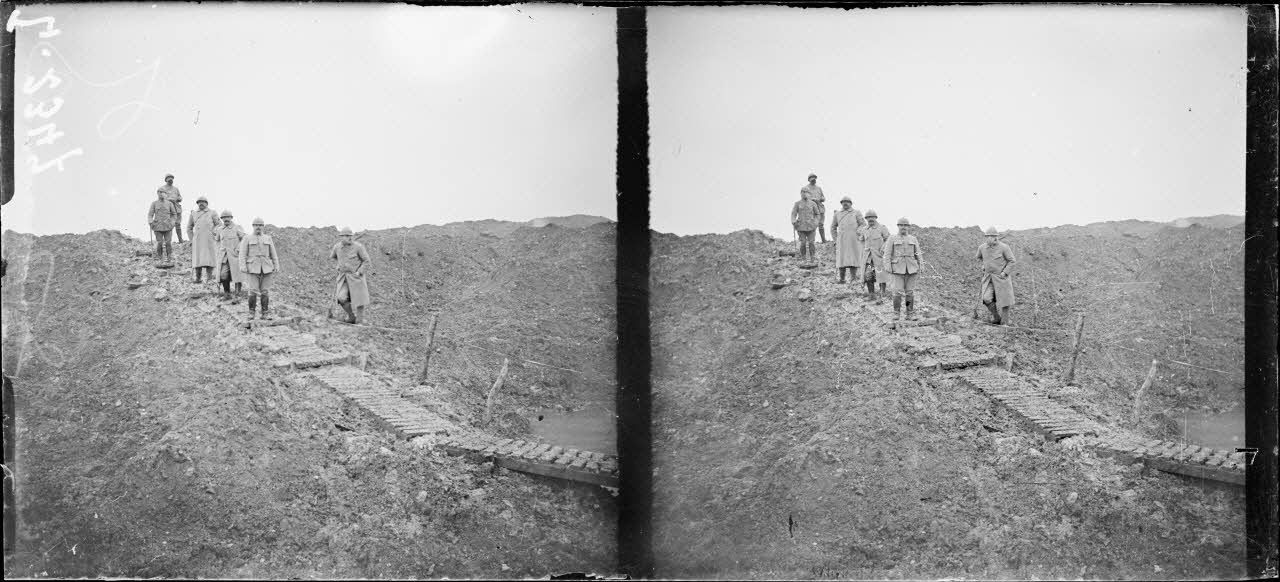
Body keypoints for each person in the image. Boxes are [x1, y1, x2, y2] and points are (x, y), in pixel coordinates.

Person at [238, 218, 280, 321]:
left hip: (267, 268)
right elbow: (242, 254)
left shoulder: (268, 238)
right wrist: (243, 266)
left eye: (260, 225)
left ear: (263, 226)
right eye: (256, 225)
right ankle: (251, 313)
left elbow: (273, 253)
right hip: (252, 268)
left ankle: (265, 313)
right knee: (252, 291)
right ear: (252, 226)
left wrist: (276, 265)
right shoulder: (247, 238)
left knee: (265, 291)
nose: (258, 227)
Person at [882, 217, 923, 321]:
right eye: (901, 225)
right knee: (897, 292)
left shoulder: (913, 239)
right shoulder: (892, 238)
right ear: (898, 226)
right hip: (897, 269)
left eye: (905, 225)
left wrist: (921, 265)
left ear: (908, 227)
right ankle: (896, 313)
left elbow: (918, 253)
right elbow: (887, 254)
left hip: (911, 269)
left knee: (910, 292)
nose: (903, 227)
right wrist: (888, 266)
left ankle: (910, 313)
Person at [977, 227, 1017, 325]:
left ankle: (1005, 323)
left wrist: (1005, 273)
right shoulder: (982, 248)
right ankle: (996, 317)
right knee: (986, 298)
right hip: (988, 278)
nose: (988, 238)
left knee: (1005, 301)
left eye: (990, 236)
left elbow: (1012, 261)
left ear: (995, 237)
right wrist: (983, 265)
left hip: (1001, 278)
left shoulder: (1004, 247)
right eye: (987, 236)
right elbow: (978, 257)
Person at [331, 227, 372, 324]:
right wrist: (338, 265)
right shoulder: (337, 247)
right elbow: (333, 257)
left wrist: (359, 272)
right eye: (346, 236)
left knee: (359, 299)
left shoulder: (358, 247)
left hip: (356, 277)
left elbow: (367, 261)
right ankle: (351, 316)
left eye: (350, 236)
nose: (349, 238)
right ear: (341, 237)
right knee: (341, 297)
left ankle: (360, 320)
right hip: (344, 277)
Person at [830, 196, 866, 284]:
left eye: (847, 202)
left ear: (851, 203)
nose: (845, 203)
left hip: (854, 239)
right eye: (843, 202)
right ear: (841, 203)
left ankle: (853, 279)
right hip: (841, 240)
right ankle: (842, 279)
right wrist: (835, 239)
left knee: (853, 258)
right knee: (841, 259)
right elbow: (833, 227)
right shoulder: (837, 214)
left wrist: (858, 232)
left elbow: (863, 224)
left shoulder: (856, 213)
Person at [859, 210, 892, 302]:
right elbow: (861, 240)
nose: (870, 219)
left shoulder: (882, 228)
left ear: (876, 218)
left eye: (872, 217)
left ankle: (882, 294)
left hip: (879, 257)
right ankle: (871, 294)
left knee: (881, 276)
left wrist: (883, 248)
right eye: (868, 218)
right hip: (868, 258)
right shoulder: (864, 229)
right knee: (868, 275)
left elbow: (888, 239)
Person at [214, 210, 246, 301]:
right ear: (222, 219)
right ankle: (227, 294)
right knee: (223, 275)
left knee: (237, 275)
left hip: (235, 256)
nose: (226, 219)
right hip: (224, 256)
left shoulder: (237, 228)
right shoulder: (220, 229)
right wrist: (219, 252)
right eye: (224, 218)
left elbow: (244, 239)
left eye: (228, 217)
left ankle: (238, 294)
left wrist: (239, 249)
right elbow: (217, 241)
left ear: (231, 218)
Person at [188, 196, 220, 284]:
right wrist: (192, 239)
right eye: (199, 202)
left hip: (209, 239)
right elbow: (189, 228)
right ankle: (198, 278)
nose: (201, 203)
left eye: (203, 202)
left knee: (209, 258)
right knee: (197, 259)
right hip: (197, 240)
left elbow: (218, 224)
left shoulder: (212, 213)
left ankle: (209, 278)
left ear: (207, 203)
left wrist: (214, 232)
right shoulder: (193, 214)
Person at [790, 190, 821, 263]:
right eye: (802, 193)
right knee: (803, 243)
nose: (804, 194)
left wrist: (816, 222)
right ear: (800, 194)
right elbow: (793, 214)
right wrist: (793, 221)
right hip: (801, 227)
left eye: (806, 192)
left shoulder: (813, 204)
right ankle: (803, 257)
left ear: (809, 194)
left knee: (811, 242)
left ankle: (812, 257)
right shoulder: (797, 203)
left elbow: (817, 214)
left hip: (811, 227)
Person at [147, 190, 177, 263]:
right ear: (158, 194)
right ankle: (160, 258)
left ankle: (169, 257)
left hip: (168, 226)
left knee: (168, 242)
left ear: (166, 194)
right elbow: (150, 215)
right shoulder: (154, 204)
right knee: (159, 242)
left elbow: (174, 214)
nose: (162, 194)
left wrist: (172, 222)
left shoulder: (169, 204)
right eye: (160, 193)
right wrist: (150, 222)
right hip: (157, 226)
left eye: (164, 193)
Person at [801, 173, 827, 243]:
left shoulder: (819, 188)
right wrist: (812, 199)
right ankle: (810, 241)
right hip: (811, 209)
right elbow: (804, 198)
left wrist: (821, 199)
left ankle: (823, 240)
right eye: (812, 178)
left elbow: (823, 197)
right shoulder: (806, 188)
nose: (813, 180)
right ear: (809, 180)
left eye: (814, 178)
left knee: (821, 224)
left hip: (820, 208)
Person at [159, 174, 184, 243]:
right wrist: (170, 199)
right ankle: (167, 241)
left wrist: (178, 199)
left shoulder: (176, 189)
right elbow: (162, 198)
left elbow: (180, 197)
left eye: (172, 178)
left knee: (178, 224)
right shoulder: (162, 189)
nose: (170, 179)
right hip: (167, 209)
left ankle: (180, 240)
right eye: (169, 178)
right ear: (166, 180)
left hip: (176, 208)